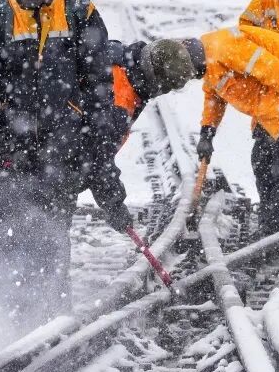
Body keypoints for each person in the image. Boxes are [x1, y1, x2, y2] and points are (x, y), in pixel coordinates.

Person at [0, 0, 113, 329]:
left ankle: (51, 309)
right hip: (5, 146)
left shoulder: (79, 11)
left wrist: (95, 133)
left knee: (53, 226)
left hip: (61, 143)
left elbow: (98, 80)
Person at [194, 25, 279, 236]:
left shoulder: (225, 48)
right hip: (268, 111)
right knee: (262, 163)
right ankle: (270, 223)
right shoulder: (209, 59)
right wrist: (207, 132)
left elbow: (271, 70)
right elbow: (213, 95)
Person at [83, 38, 203, 234]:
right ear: (156, 79)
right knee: (47, 243)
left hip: (40, 152)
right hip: (45, 166)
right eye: (166, 87)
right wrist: (115, 207)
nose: (163, 93)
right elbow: (97, 158)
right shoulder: (119, 99)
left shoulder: (122, 62)